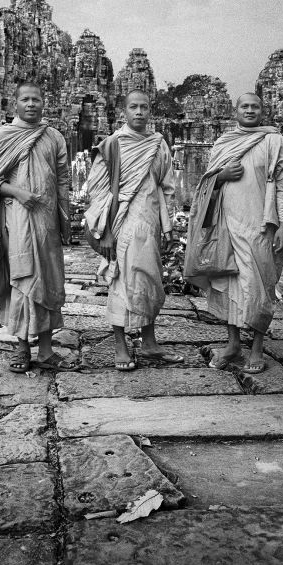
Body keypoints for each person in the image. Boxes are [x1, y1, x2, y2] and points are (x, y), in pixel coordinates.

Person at [0, 82, 78, 373]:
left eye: (36, 99)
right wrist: (17, 193)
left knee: (49, 283)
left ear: (44, 103)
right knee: (22, 278)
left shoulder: (52, 136)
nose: (31, 104)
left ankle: (45, 349)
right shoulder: (4, 135)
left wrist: (65, 219)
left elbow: (63, 179)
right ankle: (20, 346)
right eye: (25, 100)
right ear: (14, 105)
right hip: (15, 221)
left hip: (47, 223)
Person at [187, 93, 283, 373]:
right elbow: (205, 186)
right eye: (245, 106)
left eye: (255, 106)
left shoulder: (273, 141)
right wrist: (220, 176)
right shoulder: (224, 143)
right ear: (236, 111)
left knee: (260, 285)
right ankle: (233, 345)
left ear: (262, 111)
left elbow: (282, 185)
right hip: (226, 223)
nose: (250, 110)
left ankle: (257, 347)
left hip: (260, 225)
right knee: (228, 284)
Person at [84, 90, 183, 371]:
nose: (139, 112)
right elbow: (97, 189)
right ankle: (120, 345)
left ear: (150, 111)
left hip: (150, 222)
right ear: (123, 111)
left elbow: (166, 188)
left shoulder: (158, 145)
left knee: (149, 281)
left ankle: (149, 344)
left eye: (144, 107)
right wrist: (104, 229)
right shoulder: (112, 145)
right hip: (120, 223)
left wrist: (168, 226)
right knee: (121, 282)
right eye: (133, 107)